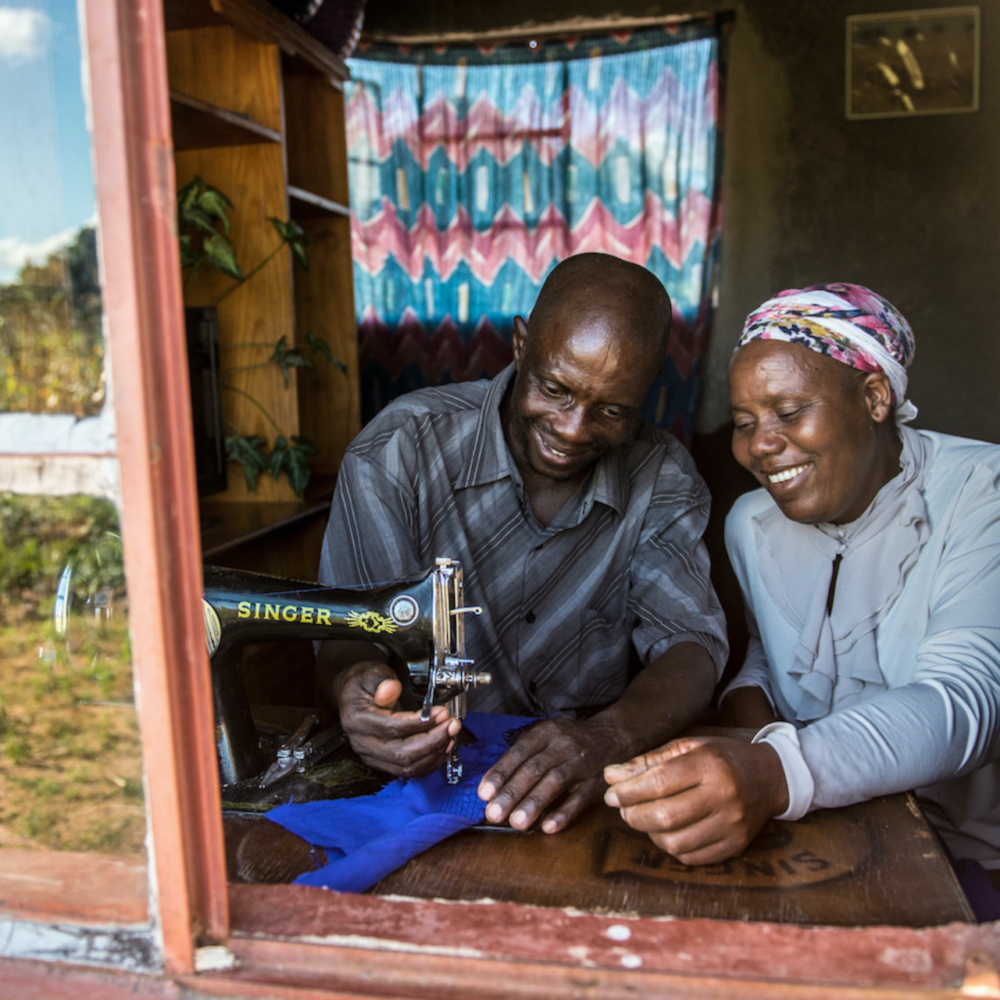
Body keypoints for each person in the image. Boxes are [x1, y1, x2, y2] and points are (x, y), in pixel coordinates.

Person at [603, 282, 1000, 915]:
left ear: (874, 398)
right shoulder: (752, 522)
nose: (760, 444)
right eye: (743, 423)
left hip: (969, 860)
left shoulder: (982, 493)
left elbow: (964, 703)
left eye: (788, 412)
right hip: (816, 832)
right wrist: (747, 716)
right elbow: (770, 652)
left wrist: (772, 769)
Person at [316, 252, 728, 836]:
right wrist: (351, 689)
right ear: (520, 344)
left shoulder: (662, 479)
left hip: (580, 794)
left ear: (649, 389)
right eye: (556, 389)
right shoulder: (400, 451)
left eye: (612, 409)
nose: (573, 428)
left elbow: (691, 645)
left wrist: (610, 735)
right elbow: (345, 633)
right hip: (416, 784)